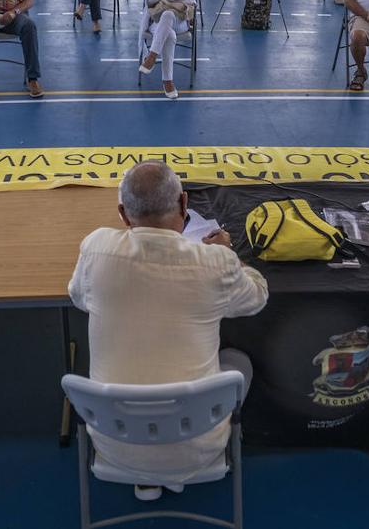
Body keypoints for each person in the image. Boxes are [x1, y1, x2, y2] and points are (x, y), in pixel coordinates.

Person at [69, 161, 267, 501]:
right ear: (183, 204)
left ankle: (146, 475)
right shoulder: (214, 263)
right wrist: (228, 253)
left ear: (122, 213)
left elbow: (79, 297)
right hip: (198, 444)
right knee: (237, 362)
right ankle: (176, 470)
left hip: (114, 443)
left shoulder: (96, 247)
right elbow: (256, 298)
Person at [139, 0, 197, 99]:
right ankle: (168, 81)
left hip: (181, 20)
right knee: (168, 33)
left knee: (169, 13)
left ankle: (151, 56)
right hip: (155, 21)